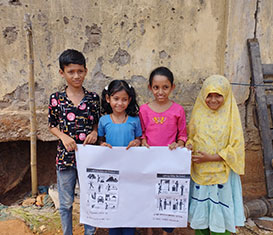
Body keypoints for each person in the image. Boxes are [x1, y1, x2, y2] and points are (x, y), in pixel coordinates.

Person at [48, 49, 100, 235]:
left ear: (86, 71)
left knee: (90, 199)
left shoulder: (93, 98)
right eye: (71, 72)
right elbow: (52, 125)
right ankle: (67, 232)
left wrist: (94, 132)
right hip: (65, 157)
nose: (76, 76)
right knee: (66, 202)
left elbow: (96, 123)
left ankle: (90, 232)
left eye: (80, 71)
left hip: (89, 157)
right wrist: (63, 136)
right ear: (62, 73)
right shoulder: (56, 99)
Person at [186, 75, 245, 235]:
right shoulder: (198, 113)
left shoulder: (231, 116)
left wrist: (211, 158)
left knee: (221, 217)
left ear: (225, 95)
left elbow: (236, 146)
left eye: (218, 95)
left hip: (222, 175)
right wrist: (189, 145)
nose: (213, 100)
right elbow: (191, 136)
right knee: (201, 217)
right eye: (209, 95)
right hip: (201, 173)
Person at [139, 66, 187, 234]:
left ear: (172, 87)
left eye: (165, 87)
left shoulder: (178, 110)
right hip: (149, 162)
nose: (160, 91)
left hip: (169, 163)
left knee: (167, 196)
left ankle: (167, 230)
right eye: (156, 87)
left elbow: (183, 135)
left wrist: (179, 144)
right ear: (150, 88)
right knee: (148, 195)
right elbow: (142, 133)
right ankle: (149, 230)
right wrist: (143, 141)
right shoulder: (144, 110)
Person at [98, 80, 142, 235]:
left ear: (129, 100)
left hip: (130, 170)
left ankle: (129, 231)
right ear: (108, 99)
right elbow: (100, 140)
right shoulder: (103, 121)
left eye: (124, 99)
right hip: (111, 171)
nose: (120, 103)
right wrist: (102, 145)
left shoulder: (134, 120)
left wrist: (136, 142)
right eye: (116, 99)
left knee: (129, 202)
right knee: (113, 202)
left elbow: (140, 139)